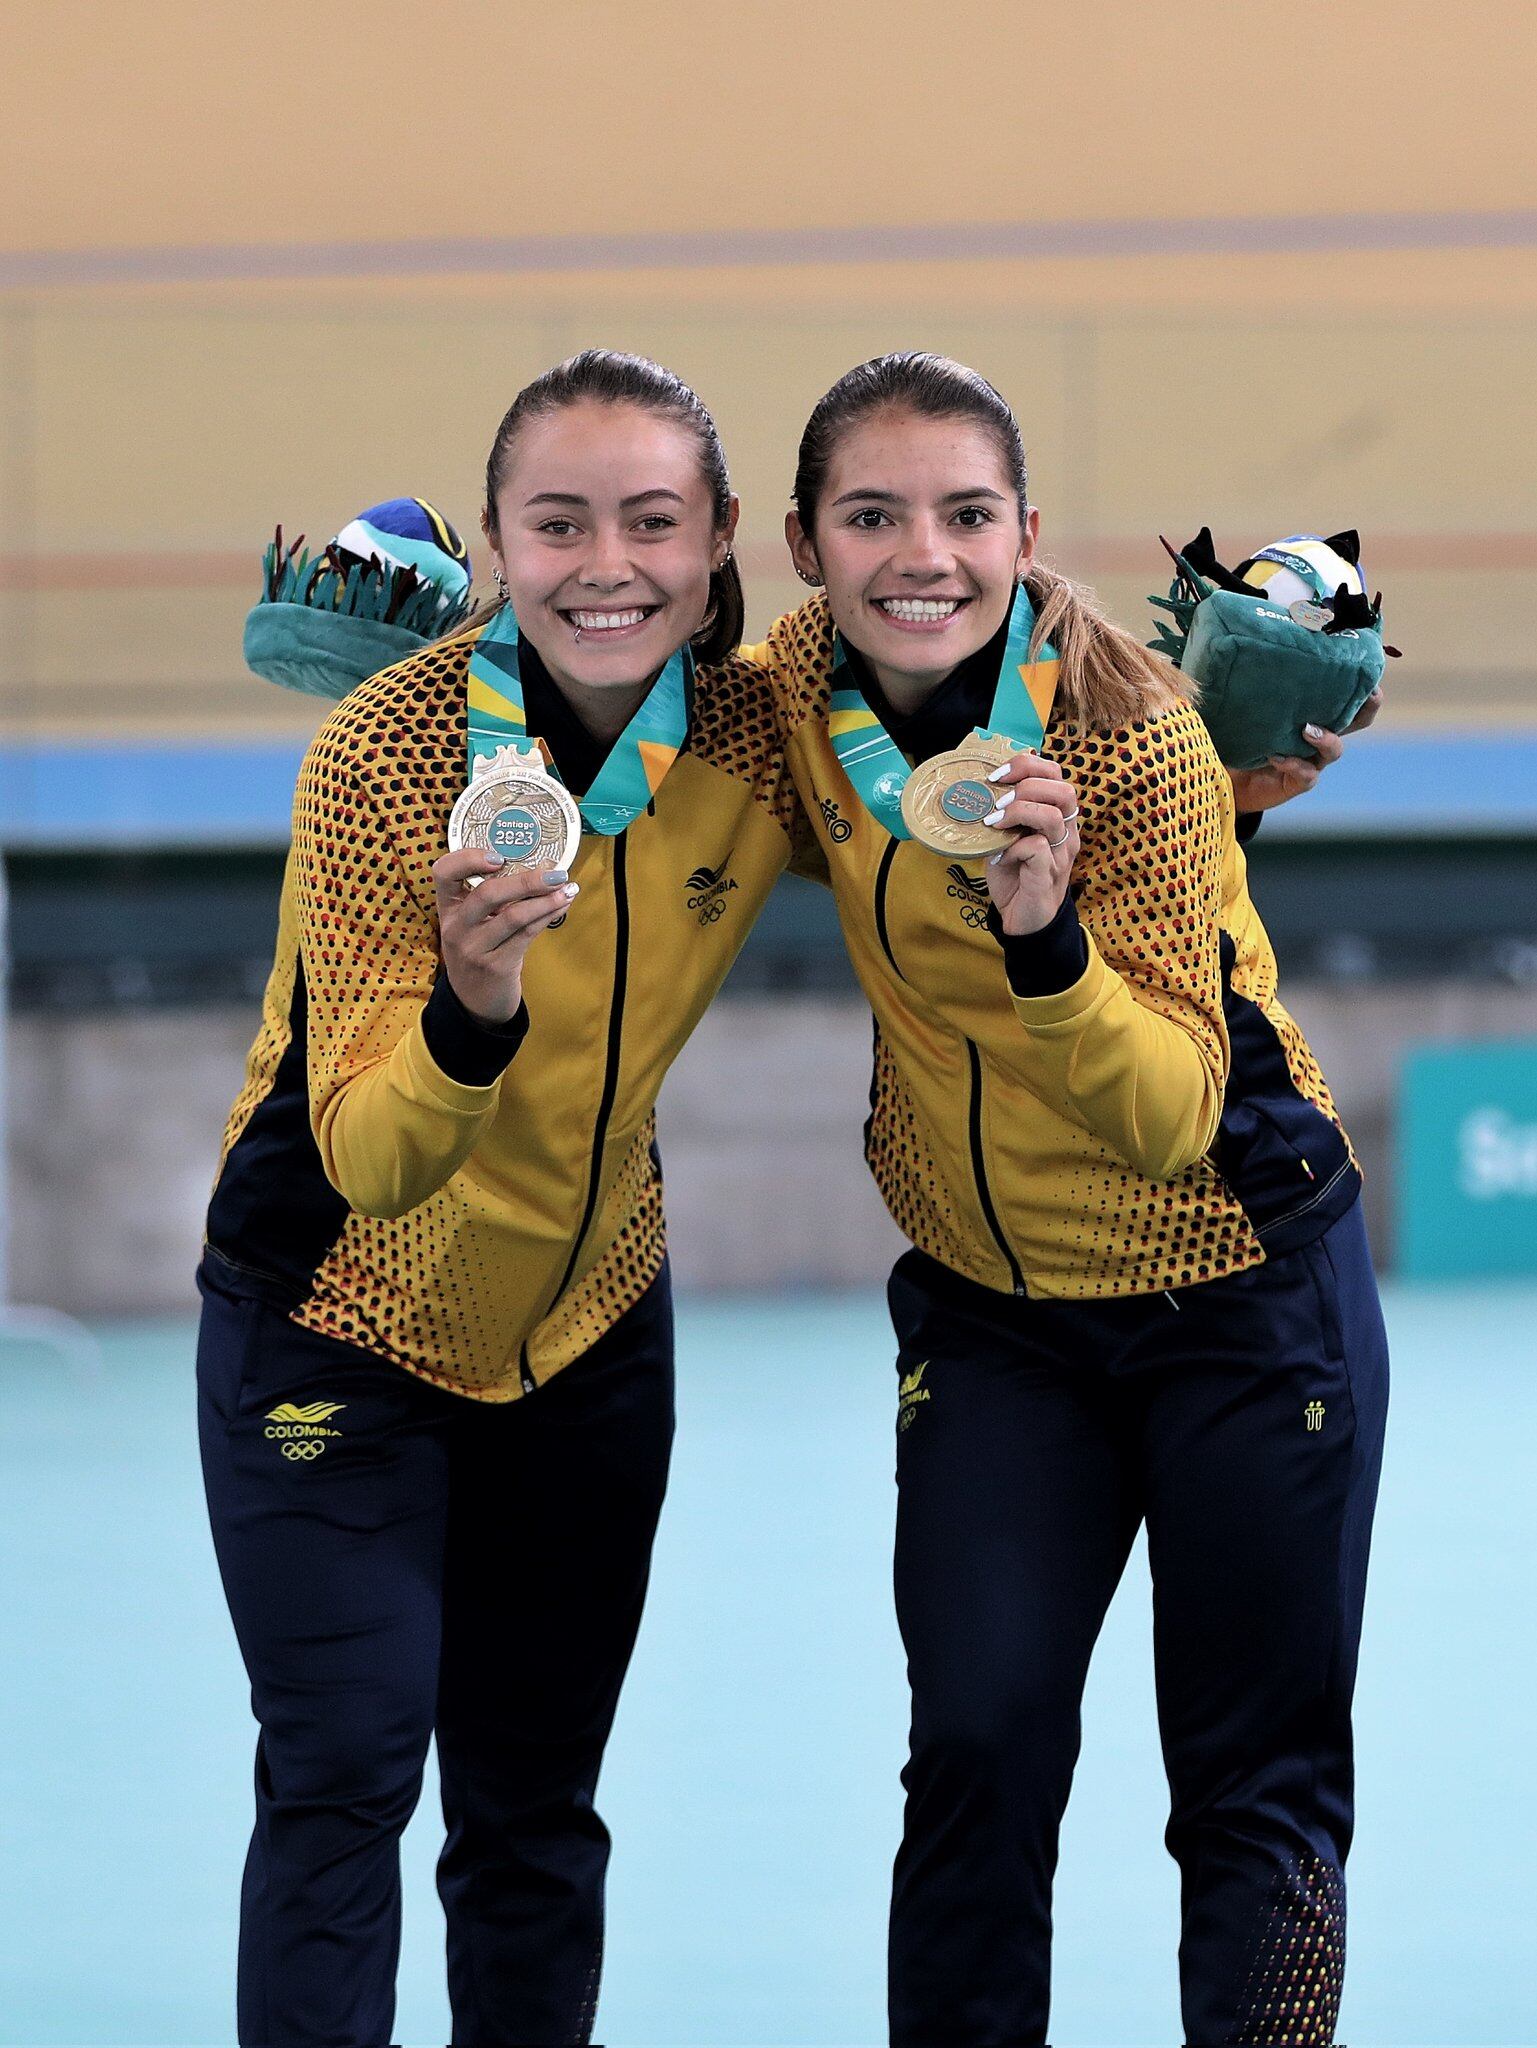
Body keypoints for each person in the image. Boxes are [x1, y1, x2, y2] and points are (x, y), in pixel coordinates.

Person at [748, 351, 1388, 2047]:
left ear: (1024, 534)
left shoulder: (1136, 746)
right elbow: (620, 758)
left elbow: (1173, 1112)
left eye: (965, 515)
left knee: (1252, 1792)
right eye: (870, 516)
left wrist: (1047, 945)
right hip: (990, 1313)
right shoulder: (788, 696)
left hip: (1239, 1296)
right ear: (806, 547)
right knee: (974, 1749)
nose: (922, 556)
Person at [196, 350, 807, 2048]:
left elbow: (946, 798)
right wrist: (471, 1009)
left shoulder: (755, 731)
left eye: (648, 522)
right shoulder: (386, 756)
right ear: (492, 544)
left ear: (717, 542)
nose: (604, 564)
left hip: (591, 1322)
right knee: (342, 1778)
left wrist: (1238, 795)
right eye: (556, 524)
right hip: (334, 1313)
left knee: (534, 1811)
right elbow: (374, 1158)